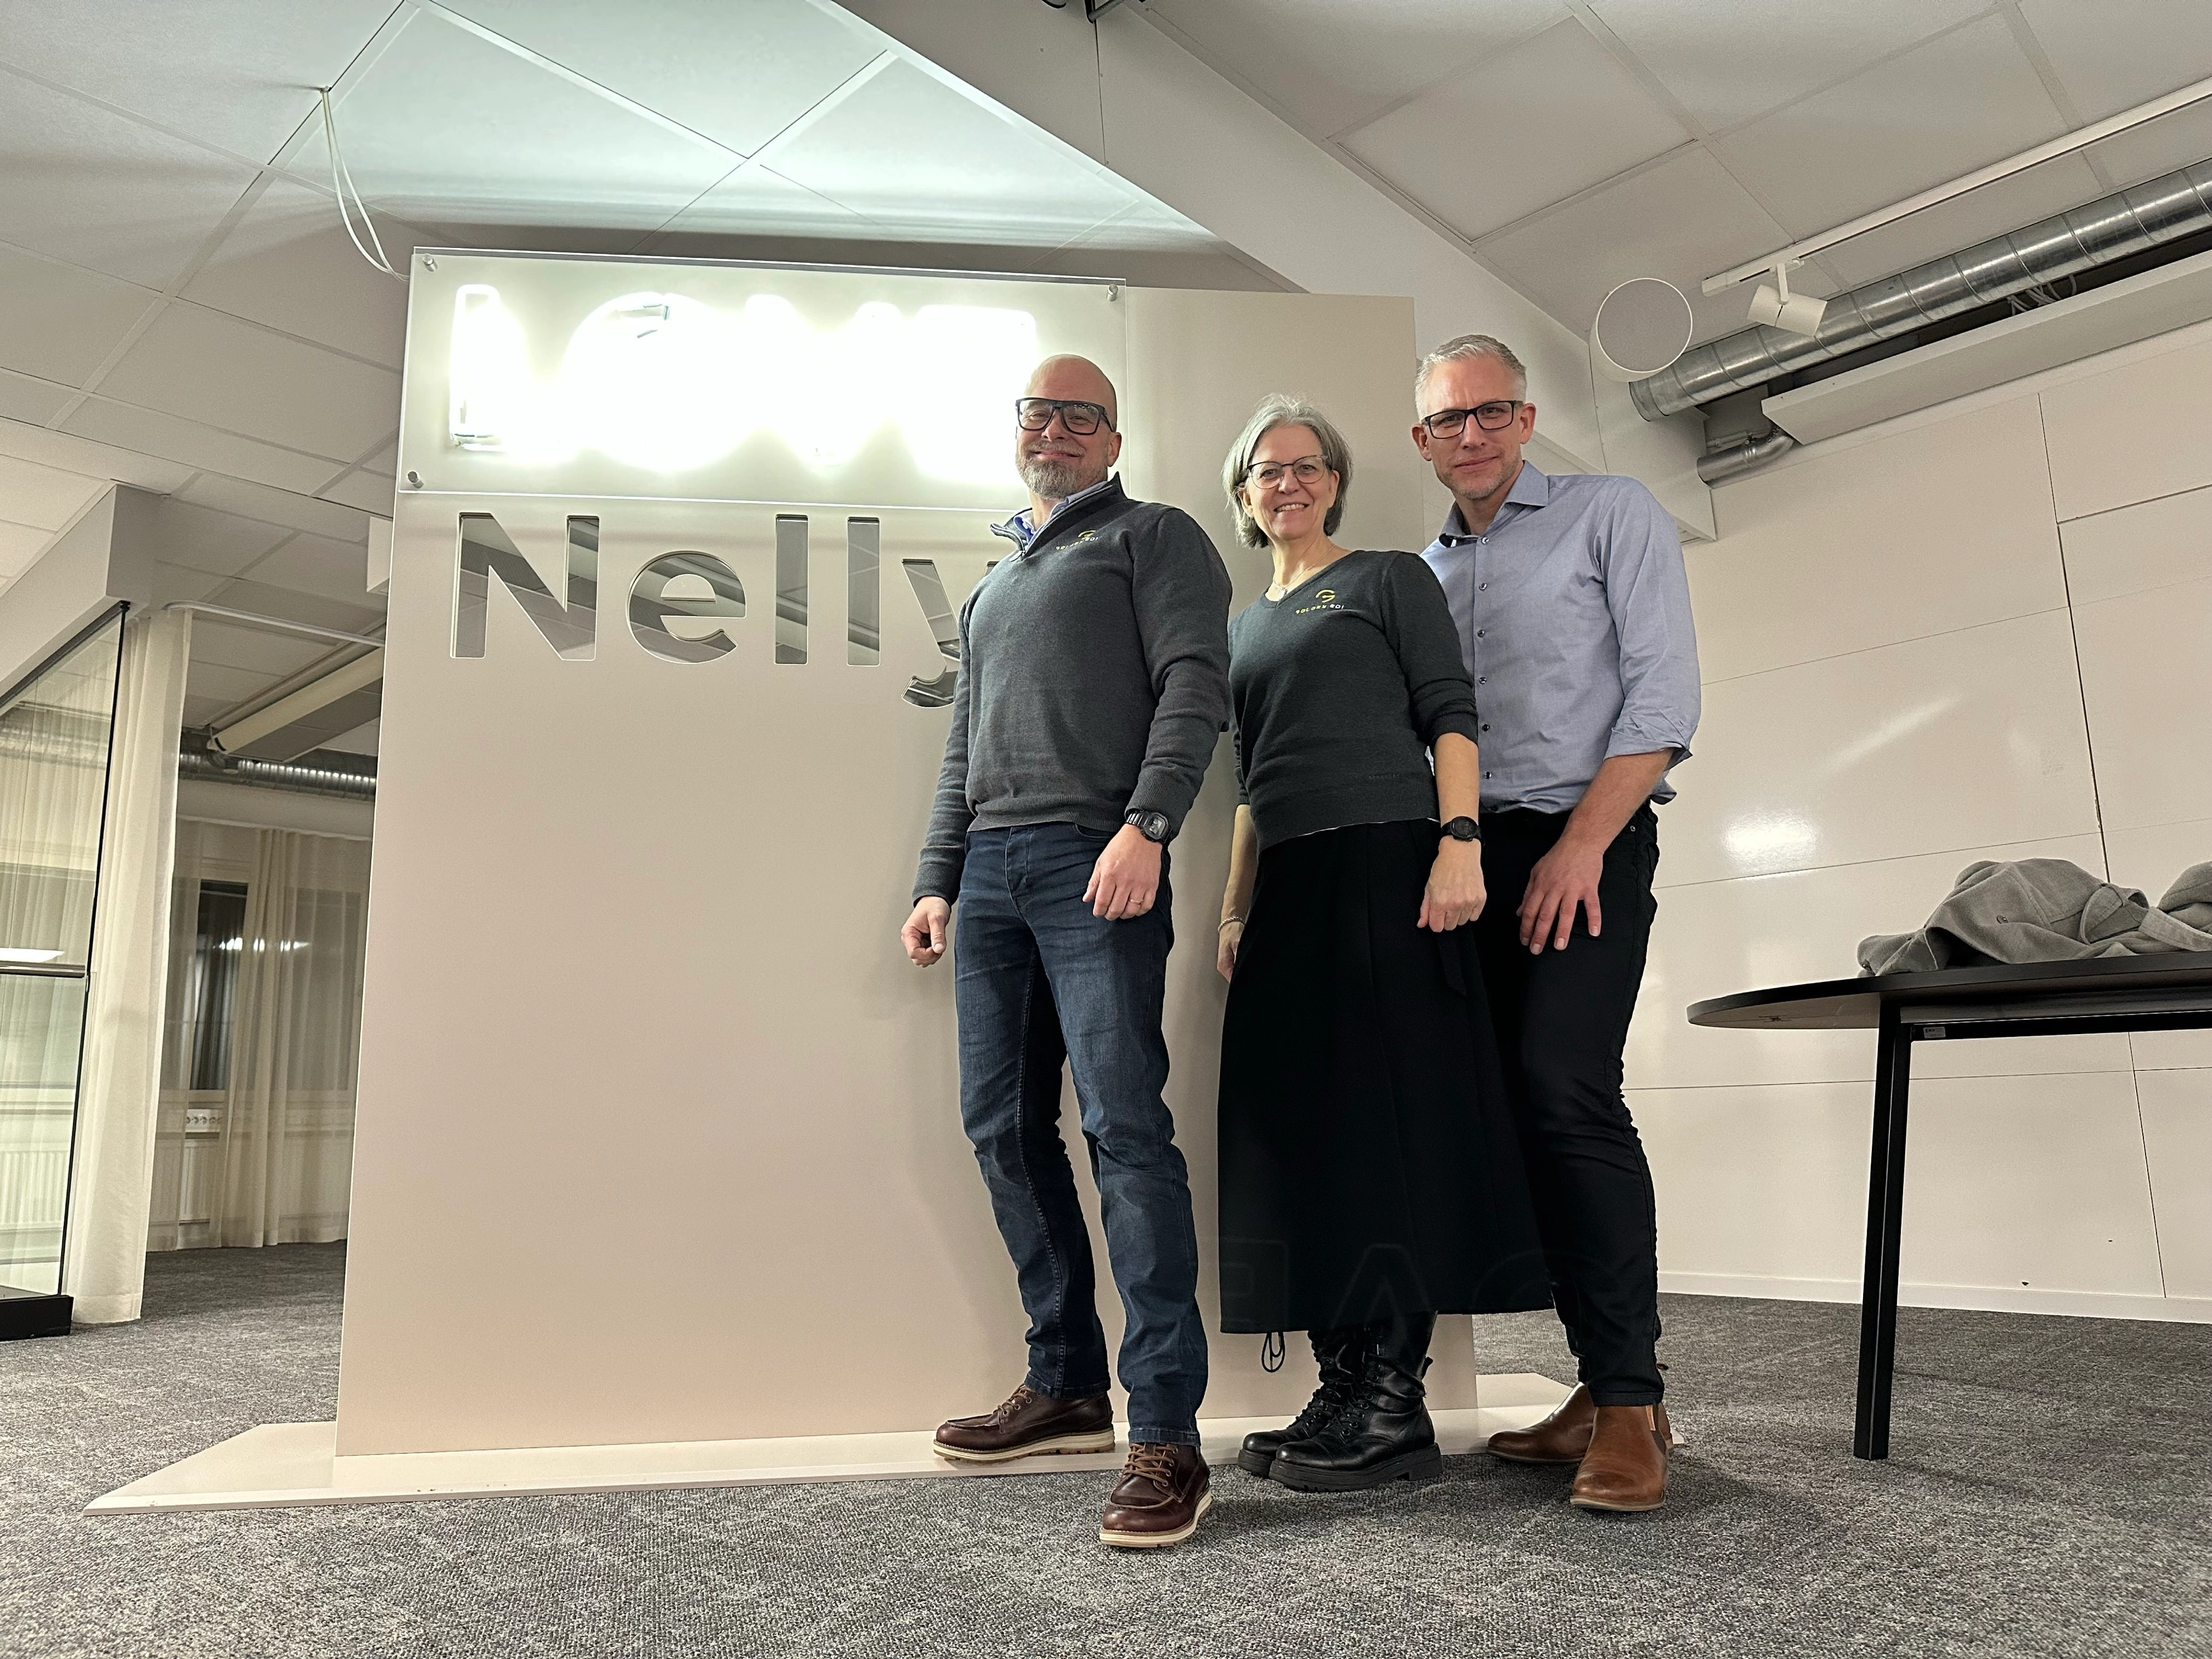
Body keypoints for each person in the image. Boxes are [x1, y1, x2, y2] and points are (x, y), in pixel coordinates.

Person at [901, 354, 1232, 1550]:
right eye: (1038, 411)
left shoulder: (1155, 537)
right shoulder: (995, 587)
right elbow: (961, 744)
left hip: (1101, 860)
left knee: (1125, 1132)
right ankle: (1068, 1385)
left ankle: (1168, 1437)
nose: (1054, 427)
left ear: (1111, 436)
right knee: (1000, 1126)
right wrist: (938, 876)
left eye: (1078, 414)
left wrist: (1149, 826)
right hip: (989, 875)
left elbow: (1197, 685)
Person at [1212, 396, 1550, 1494]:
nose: (1290, 483)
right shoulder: (1240, 625)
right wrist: (1232, 908)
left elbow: (1452, 716)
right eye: (1270, 471)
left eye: (1309, 467)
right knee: (1306, 1134)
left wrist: (1461, 845)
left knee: (1381, 1128)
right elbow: (1251, 789)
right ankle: (1344, 1383)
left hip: (1390, 863)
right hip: (1291, 886)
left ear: (1338, 481)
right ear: (1244, 495)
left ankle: (1395, 1405)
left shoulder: (1387, 579)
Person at [1412, 334, 1701, 1513]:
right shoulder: (1422, 575)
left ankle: (1634, 1403)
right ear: (1421, 440)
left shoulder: (1610, 512)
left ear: (1526, 421)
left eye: (1491, 413)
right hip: (1471, 856)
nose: (1470, 435)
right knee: (1516, 1116)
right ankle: (1597, 1383)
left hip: (1589, 833)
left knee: (1568, 1088)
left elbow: (1667, 696)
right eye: (1447, 421)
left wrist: (1584, 843)